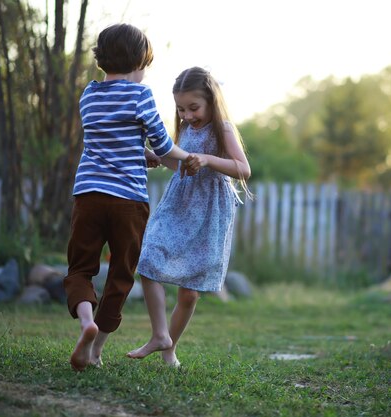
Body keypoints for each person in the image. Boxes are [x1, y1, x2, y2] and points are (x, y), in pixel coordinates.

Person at [63, 23, 192, 372]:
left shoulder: (88, 95)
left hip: (89, 194)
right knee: (121, 273)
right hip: (128, 202)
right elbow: (164, 145)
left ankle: (86, 321)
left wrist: (142, 154)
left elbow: (110, 143)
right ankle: (96, 349)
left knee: (80, 269)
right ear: (138, 61)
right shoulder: (141, 95)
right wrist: (186, 158)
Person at [126, 66, 252, 367]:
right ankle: (160, 335)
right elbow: (182, 164)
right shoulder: (185, 128)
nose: (187, 115)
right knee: (149, 258)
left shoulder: (222, 127)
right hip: (178, 204)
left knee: (189, 293)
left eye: (193, 108)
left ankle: (170, 349)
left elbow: (243, 169)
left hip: (209, 211)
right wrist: (158, 157)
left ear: (211, 100)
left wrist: (208, 159)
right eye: (181, 109)